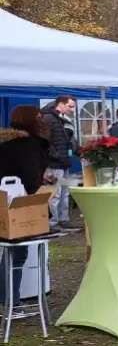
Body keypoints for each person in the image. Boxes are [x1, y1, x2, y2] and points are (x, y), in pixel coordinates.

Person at [0, 105, 50, 307]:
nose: (42, 120)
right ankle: (11, 298)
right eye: (39, 117)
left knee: (9, 250)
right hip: (21, 203)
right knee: (18, 253)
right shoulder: (29, 144)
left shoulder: (5, 142)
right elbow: (30, 179)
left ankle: (7, 295)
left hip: (3, 199)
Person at [42, 95, 77, 229]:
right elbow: (45, 141)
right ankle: (53, 222)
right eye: (70, 106)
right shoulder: (48, 118)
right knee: (55, 194)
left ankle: (64, 219)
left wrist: (78, 151)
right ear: (60, 104)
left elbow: (70, 141)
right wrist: (55, 155)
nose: (73, 110)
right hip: (54, 164)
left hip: (64, 163)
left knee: (64, 192)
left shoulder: (64, 119)